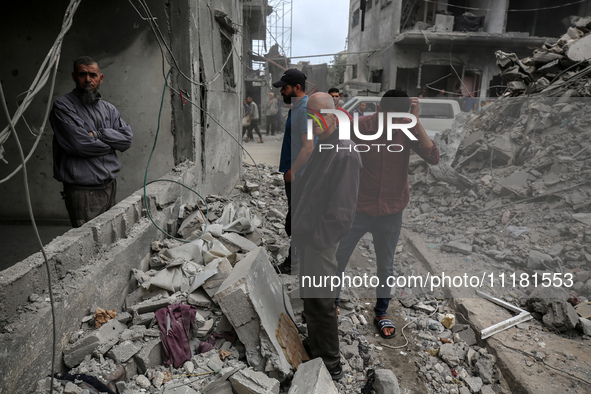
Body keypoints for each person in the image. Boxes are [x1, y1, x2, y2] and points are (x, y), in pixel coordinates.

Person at [335, 90, 440, 339]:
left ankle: (381, 312)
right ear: (379, 110)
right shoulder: (358, 126)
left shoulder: (406, 127)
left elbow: (433, 157)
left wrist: (415, 121)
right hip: (359, 208)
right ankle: (331, 304)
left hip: (392, 210)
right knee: (338, 259)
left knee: (386, 265)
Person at [292, 92, 362, 380]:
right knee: (310, 299)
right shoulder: (324, 146)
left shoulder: (345, 153)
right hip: (310, 238)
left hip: (321, 241)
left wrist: (318, 240)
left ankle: (331, 365)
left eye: (318, 116)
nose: (312, 122)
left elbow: (342, 213)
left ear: (334, 116)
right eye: (308, 116)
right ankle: (316, 346)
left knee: (321, 300)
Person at [50, 56, 133, 228]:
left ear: (100, 78)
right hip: (83, 191)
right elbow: (79, 145)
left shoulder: (109, 109)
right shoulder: (63, 107)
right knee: (92, 244)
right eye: (82, 74)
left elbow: (126, 140)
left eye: (93, 75)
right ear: (74, 76)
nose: (88, 79)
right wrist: (111, 143)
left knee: (110, 239)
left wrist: (98, 134)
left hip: (110, 185)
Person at [272, 69, 314, 275]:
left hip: (300, 176)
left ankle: (293, 263)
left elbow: (308, 146)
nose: (282, 92)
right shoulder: (296, 108)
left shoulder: (305, 109)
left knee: (297, 220)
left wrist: (293, 171)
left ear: (297, 87)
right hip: (295, 174)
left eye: (285, 88)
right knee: (295, 218)